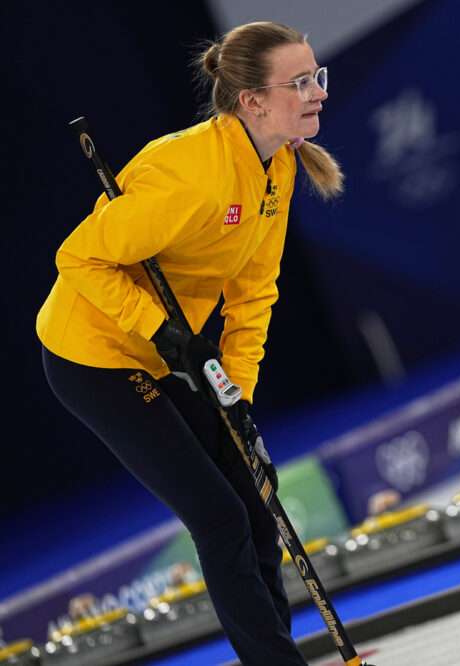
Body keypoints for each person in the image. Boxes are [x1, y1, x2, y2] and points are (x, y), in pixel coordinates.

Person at [37, 22, 342, 665]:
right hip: (94, 352)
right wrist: (156, 329)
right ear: (252, 100)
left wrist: (239, 393)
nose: (317, 91)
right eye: (300, 82)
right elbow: (79, 258)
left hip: (167, 351)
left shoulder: (276, 166)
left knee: (257, 500)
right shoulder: (190, 174)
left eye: (318, 76)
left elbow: (255, 291)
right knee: (220, 516)